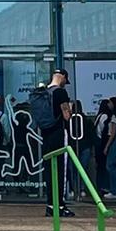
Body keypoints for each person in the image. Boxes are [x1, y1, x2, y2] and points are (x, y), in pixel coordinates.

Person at [42, 69, 73, 217]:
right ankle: (60, 205)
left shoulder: (43, 92)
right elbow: (67, 116)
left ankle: (50, 204)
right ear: (63, 78)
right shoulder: (60, 92)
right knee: (61, 169)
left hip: (45, 135)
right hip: (58, 133)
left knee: (49, 170)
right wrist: (70, 108)